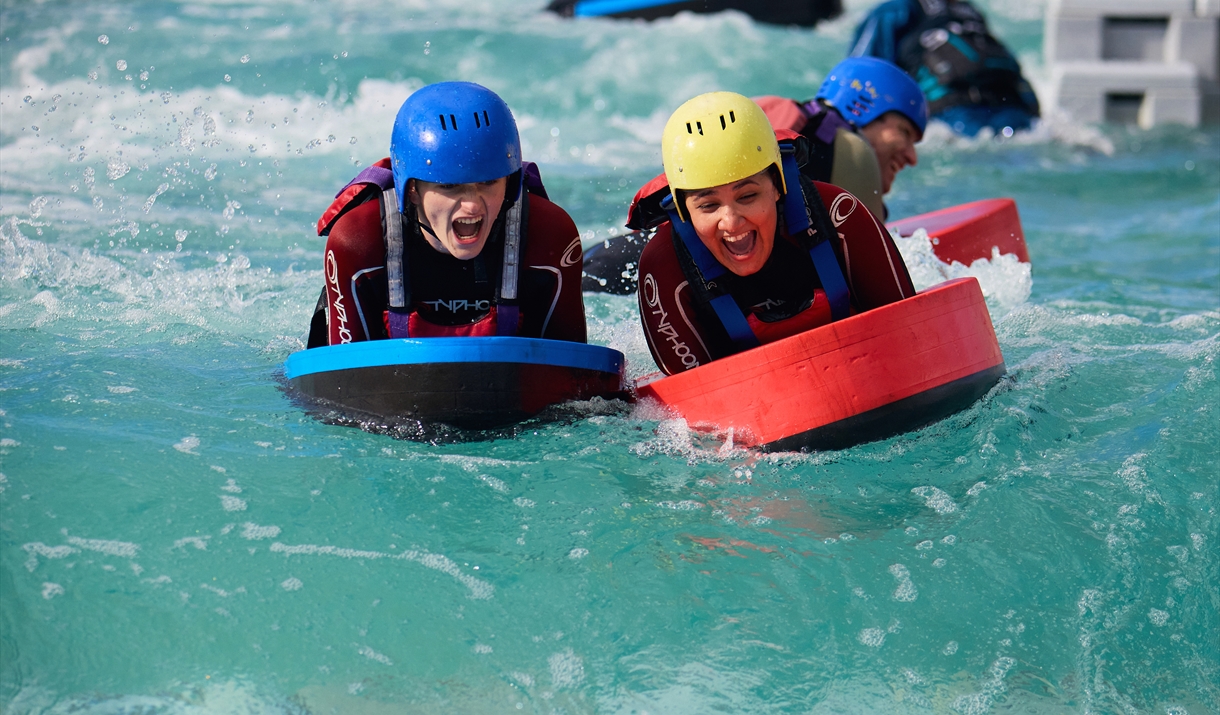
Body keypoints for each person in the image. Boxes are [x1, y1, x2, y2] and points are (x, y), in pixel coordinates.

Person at [633, 91, 915, 375]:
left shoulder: (839, 215)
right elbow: (685, 409)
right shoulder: (664, 268)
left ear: (779, 186)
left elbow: (911, 335)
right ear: (683, 211)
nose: (731, 223)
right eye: (708, 206)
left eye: (747, 197)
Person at [306, 82, 587, 348]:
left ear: (510, 183)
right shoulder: (358, 240)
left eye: (488, 183)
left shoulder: (551, 234)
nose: (472, 206)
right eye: (450, 186)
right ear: (412, 189)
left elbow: (577, 384)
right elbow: (340, 385)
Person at [753, 56, 928, 220]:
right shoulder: (854, 152)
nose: (912, 158)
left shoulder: (774, 120)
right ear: (864, 109)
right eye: (904, 132)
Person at [849, 0, 1039, 136]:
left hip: (951, 122)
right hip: (1018, 117)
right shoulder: (969, 11)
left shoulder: (893, 11)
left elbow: (859, 77)